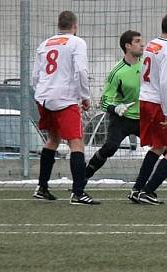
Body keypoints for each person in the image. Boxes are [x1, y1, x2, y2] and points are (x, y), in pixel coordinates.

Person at [85, 30, 167, 191]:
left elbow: (161, 82)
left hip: (144, 116)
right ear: (127, 46)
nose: (142, 44)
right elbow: (103, 101)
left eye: (142, 41)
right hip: (122, 118)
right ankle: (83, 179)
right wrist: (115, 107)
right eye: (138, 41)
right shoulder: (117, 72)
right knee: (110, 147)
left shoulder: (146, 62)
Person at [32, 11, 99, 205]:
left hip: (44, 97)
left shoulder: (44, 44)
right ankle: (78, 192)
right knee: (76, 143)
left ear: (59, 25)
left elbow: (36, 76)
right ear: (75, 26)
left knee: (53, 139)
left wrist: (44, 91)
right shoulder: (77, 43)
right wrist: (85, 96)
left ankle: (42, 187)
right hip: (64, 98)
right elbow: (81, 71)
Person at [129, 13, 167, 205]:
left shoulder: (151, 45)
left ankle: (137, 189)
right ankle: (148, 190)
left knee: (158, 146)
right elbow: (164, 83)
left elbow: (154, 75)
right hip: (159, 103)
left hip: (145, 99)